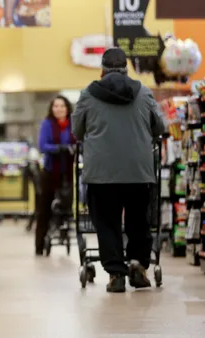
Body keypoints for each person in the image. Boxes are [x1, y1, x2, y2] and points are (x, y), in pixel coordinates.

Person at [71, 47, 165, 293]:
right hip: (138, 170)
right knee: (138, 219)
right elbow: (159, 127)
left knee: (107, 223)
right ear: (127, 68)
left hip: (101, 172)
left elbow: (77, 131)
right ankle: (137, 263)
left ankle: (115, 273)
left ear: (102, 69)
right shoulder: (144, 93)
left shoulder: (88, 95)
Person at [35, 95, 75, 256]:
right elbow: (43, 145)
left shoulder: (73, 124)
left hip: (69, 172)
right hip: (51, 172)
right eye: (55, 106)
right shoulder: (47, 124)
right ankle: (39, 244)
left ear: (67, 108)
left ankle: (65, 229)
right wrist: (61, 148)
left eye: (62, 106)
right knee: (44, 209)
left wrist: (73, 147)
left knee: (68, 206)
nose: (58, 109)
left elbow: (81, 140)